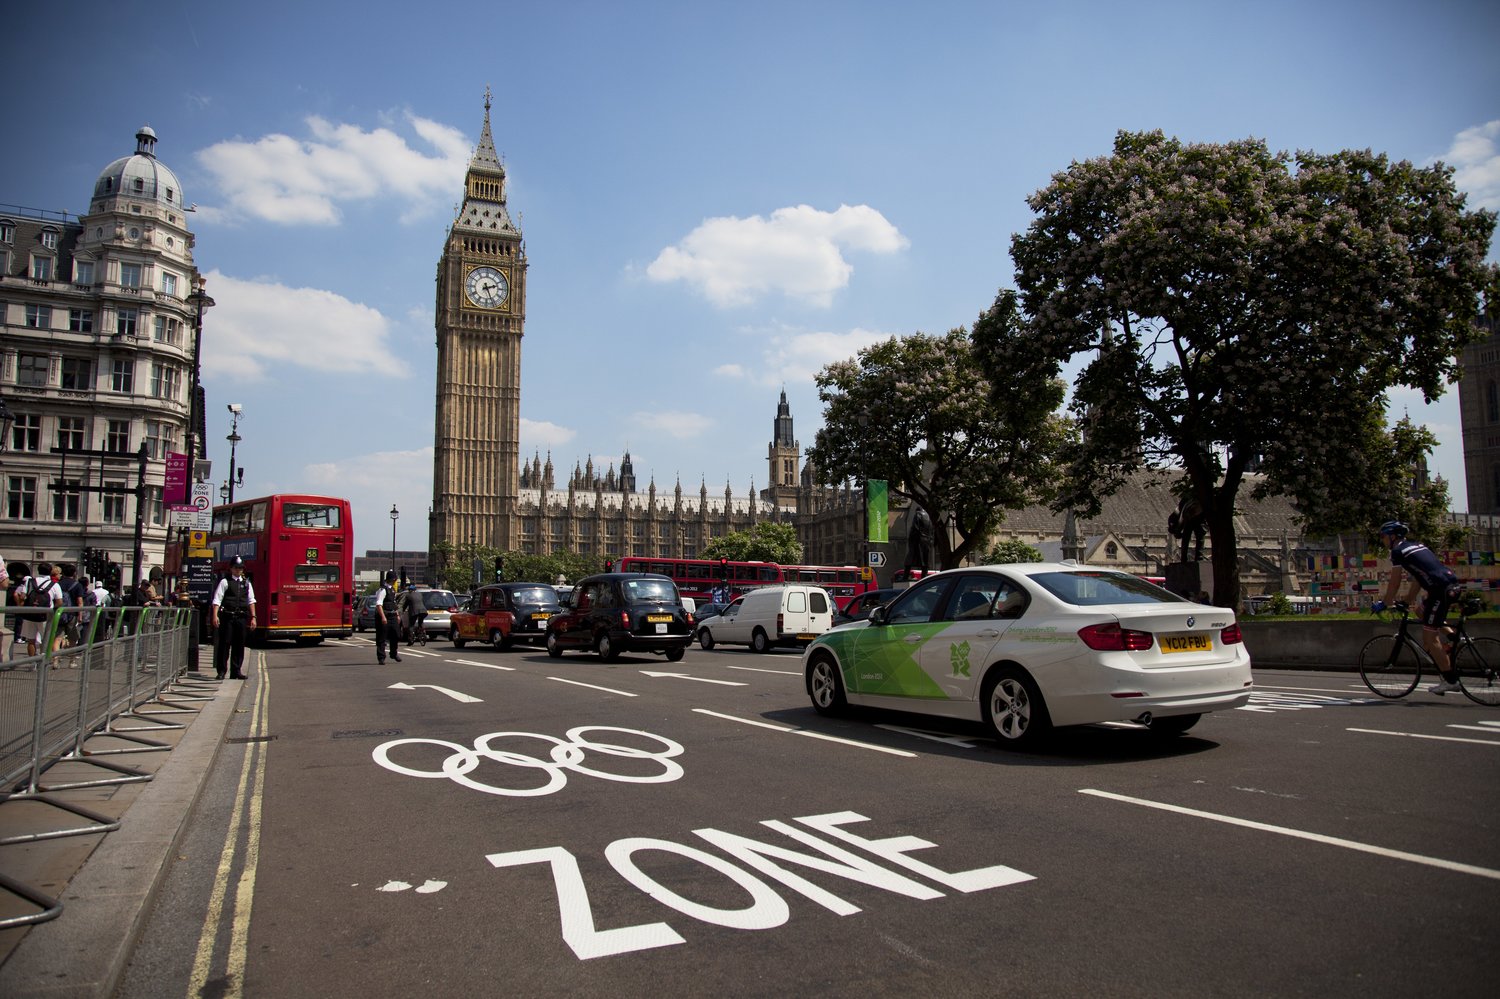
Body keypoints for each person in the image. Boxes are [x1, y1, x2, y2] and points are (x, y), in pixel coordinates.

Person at [1372, 520, 1463, 694]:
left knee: (1430, 639)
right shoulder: (1417, 546)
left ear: (1392, 536)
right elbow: (1418, 580)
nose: (1382, 540)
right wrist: (1406, 602)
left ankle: (1451, 681)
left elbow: (1395, 581)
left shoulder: (1398, 551)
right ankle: (1453, 638)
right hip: (1450, 585)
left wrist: (1385, 602)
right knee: (1420, 611)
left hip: (1439, 591)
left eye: (1383, 536)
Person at [210, 556, 257, 680]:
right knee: (225, 644)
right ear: (231, 568)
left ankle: (236, 671)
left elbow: (251, 601)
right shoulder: (225, 582)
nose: (238, 570)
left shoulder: (247, 583)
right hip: (227, 617)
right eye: (236, 568)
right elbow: (217, 600)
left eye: (240, 568)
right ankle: (221, 671)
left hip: (241, 616)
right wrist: (215, 615)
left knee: (239, 644)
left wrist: (253, 617)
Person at [372, 570, 402, 664]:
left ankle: (393, 653)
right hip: (385, 616)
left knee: (396, 635)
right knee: (382, 637)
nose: (395, 581)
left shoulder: (392, 590)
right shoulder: (383, 590)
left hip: (393, 615)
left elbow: (393, 604)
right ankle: (381, 657)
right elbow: (379, 605)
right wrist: (383, 617)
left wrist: (397, 614)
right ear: (391, 579)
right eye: (395, 579)